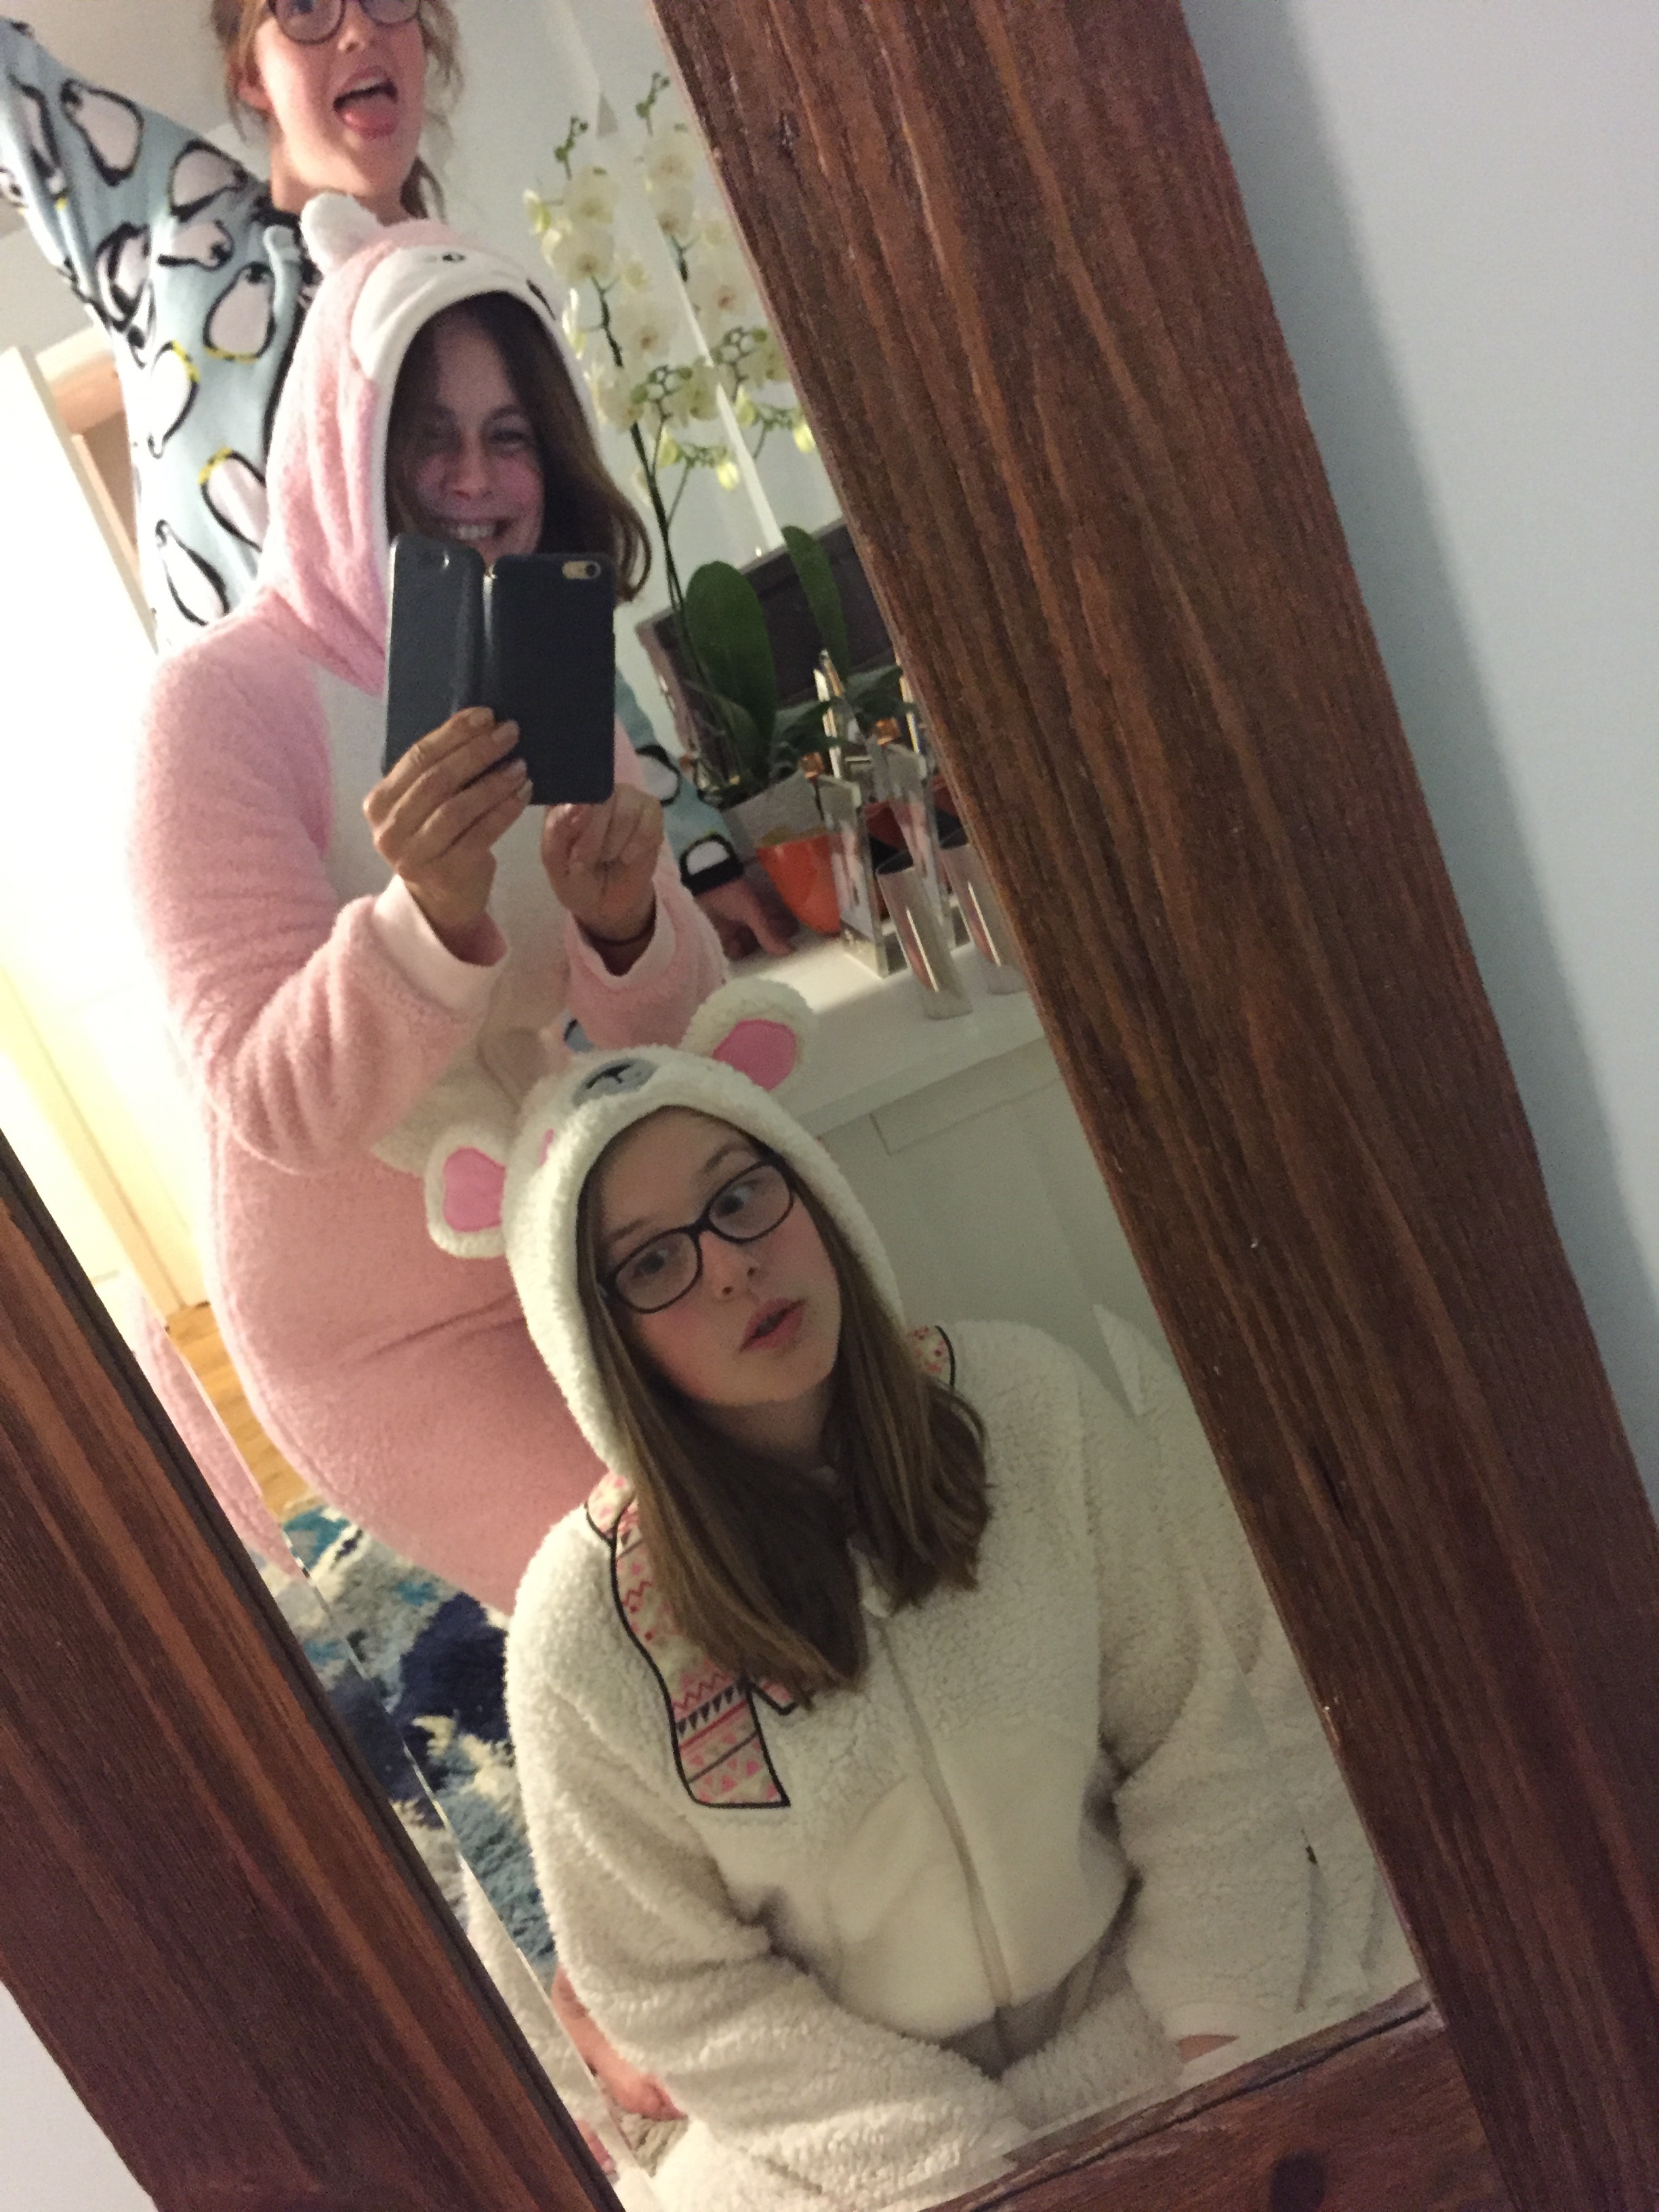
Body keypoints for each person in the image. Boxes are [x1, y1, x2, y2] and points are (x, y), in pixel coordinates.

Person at [423, 981, 1414, 2212]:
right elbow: (678, 1990)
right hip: (868, 2142)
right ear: (600, 1340)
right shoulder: (583, 1638)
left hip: (1144, 2013)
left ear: (808, 1191)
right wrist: (967, 2171)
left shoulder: (1031, 1407)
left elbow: (1195, 1741)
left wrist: (1226, 2068)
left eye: (741, 1196)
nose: (732, 1265)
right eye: (656, 1262)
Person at [131, 197, 729, 1610]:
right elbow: (276, 1106)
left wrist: (626, 926)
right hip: (386, 1335)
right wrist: (428, 921)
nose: (473, 477)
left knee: (800, 1510)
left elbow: (677, 1030)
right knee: (661, 1609)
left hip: (586, 1232)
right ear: (342, 451)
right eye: (425, 435)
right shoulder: (219, 706)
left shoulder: (547, 657)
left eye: (510, 434)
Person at [0, 3, 790, 951]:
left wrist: (691, 856)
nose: (357, 31)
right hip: (272, 863)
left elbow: (548, 621)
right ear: (249, 72)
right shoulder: (177, 235)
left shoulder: (466, 310)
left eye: (388, 0)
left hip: (502, 895)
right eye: (304, 6)